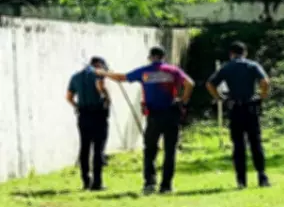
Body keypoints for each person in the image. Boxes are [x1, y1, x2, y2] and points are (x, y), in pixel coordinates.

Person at [102, 46, 194, 195]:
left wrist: (104, 73)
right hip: (171, 113)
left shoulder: (145, 72)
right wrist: (182, 100)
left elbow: (122, 78)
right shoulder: (173, 71)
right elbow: (190, 83)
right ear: (163, 57)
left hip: (154, 115)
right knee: (170, 151)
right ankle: (166, 186)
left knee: (150, 149)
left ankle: (150, 184)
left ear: (150, 57)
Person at [206, 41, 271, 189]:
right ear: (245, 52)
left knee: (238, 144)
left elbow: (210, 84)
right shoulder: (252, 65)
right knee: (255, 142)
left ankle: (241, 180)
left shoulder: (227, 67)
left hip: (235, 107)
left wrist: (219, 98)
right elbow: (265, 82)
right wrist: (261, 96)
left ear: (231, 54)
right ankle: (262, 176)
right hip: (251, 107)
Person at [67, 57, 110, 191]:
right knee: (98, 148)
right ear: (99, 65)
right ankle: (97, 183)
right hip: (98, 115)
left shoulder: (75, 77)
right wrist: (107, 97)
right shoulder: (98, 74)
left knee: (84, 147)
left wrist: (77, 106)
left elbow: (69, 97)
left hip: (83, 115)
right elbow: (100, 88)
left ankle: (86, 180)